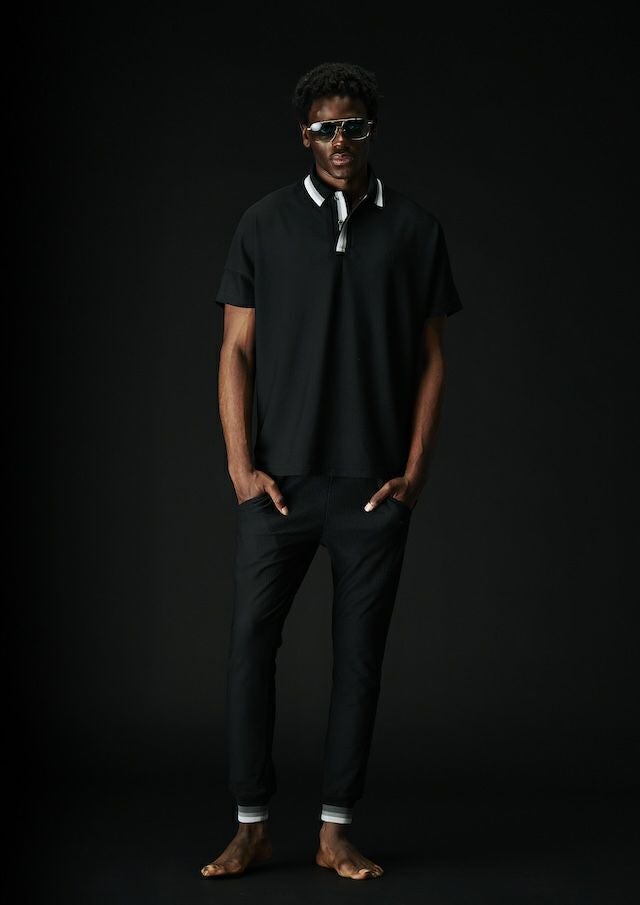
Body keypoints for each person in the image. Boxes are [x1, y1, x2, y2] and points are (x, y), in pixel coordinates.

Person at [201, 61, 463, 881]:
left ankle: (335, 829)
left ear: (369, 131)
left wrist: (413, 473)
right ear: (304, 136)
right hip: (277, 487)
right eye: (324, 128)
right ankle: (250, 824)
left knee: (359, 660)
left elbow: (431, 359)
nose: (339, 141)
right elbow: (234, 350)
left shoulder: (414, 228)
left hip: (372, 490)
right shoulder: (263, 222)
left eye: (352, 126)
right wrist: (242, 467)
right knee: (251, 646)